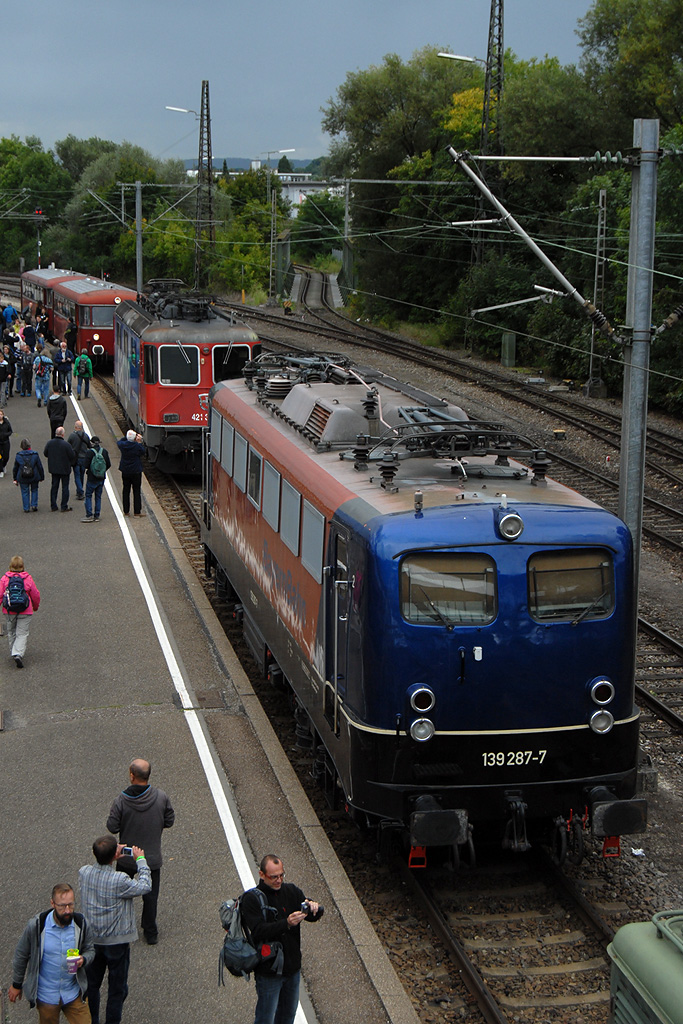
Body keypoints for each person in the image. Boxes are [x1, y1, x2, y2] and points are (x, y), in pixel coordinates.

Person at [240, 855, 323, 1024]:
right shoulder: (251, 899)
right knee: (265, 1019)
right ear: (262, 874)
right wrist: (286, 923)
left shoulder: (291, 891)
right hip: (268, 972)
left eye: (281, 875)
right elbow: (258, 931)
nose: (279, 880)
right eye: (274, 877)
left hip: (292, 969)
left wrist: (315, 908)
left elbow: (311, 917)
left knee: (287, 1017)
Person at [79, 835, 151, 1024]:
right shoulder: (119, 880)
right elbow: (145, 886)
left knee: (92, 985)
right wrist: (141, 861)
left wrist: (110, 856)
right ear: (114, 856)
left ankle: (92, 1020)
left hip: (92, 940)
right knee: (117, 989)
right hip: (117, 942)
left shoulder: (84, 873)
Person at [106, 758, 175, 944]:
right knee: (150, 897)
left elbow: (112, 827)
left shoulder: (121, 801)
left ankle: (120, 926)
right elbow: (169, 820)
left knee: (121, 893)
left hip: (126, 857)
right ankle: (150, 932)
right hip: (151, 858)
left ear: (132, 775)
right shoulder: (161, 797)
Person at [8, 883, 95, 1023]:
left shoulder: (82, 924)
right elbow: (21, 955)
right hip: (47, 996)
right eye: (62, 906)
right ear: (52, 903)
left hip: (74, 993)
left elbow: (90, 950)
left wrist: (83, 959)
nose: (67, 910)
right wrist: (16, 985)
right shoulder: (36, 926)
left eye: (71, 905)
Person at [0, 554, 40, 668]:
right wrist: (35, 606)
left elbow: (0, 594)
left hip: (9, 610)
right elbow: (35, 595)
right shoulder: (27, 578)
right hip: (25, 610)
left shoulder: (5, 579)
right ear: (23, 566)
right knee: (22, 633)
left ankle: (14, 651)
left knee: (11, 631)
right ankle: (18, 653)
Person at [44, 426, 77, 512]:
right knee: (65, 487)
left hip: (54, 469)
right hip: (65, 469)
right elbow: (72, 455)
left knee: (54, 487)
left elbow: (45, 453)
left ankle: (53, 505)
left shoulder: (50, 443)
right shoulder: (66, 445)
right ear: (63, 434)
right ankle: (64, 506)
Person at [116, 429, 146, 517]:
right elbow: (143, 451)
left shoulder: (122, 445)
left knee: (126, 490)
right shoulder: (137, 446)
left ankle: (126, 511)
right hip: (136, 470)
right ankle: (137, 512)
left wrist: (128, 437)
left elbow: (120, 441)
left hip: (125, 470)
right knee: (136, 491)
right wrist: (139, 441)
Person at [81, 436, 111, 523]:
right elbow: (108, 464)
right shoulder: (104, 452)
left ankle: (89, 515)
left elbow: (86, 465)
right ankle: (97, 515)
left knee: (88, 495)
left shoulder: (89, 452)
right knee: (98, 497)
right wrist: (101, 471)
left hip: (91, 477)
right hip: (101, 478)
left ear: (91, 443)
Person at [13, 438, 45, 512]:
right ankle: (34, 505)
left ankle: (26, 508)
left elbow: (15, 468)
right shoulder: (35, 454)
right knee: (34, 490)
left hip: (22, 476)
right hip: (34, 475)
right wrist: (42, 476)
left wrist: (15, 478)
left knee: (24, 492)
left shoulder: (18, 455)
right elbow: (39, 466)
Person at [68, 421, 90, 501]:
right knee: (81, 475)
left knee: (77, 475)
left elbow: (68, 445)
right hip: (84, 458)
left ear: (75, 427)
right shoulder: (85, 435)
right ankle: (79, 491)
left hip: (76, 458)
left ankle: (80, 491)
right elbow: (89, 445)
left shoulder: (72, 436)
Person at [0, 406, 12, 476]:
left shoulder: (6, 422)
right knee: (0, 457)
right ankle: (1, 470)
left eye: (1, 414)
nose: (0, 416)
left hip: (6, 442)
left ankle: (4, 465)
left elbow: (10, 431)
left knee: (6, 456)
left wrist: (5, 434)